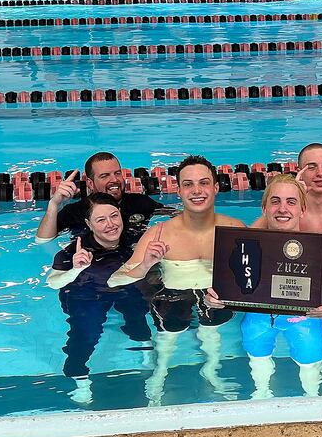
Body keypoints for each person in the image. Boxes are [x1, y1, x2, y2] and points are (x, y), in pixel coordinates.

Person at [109, 155, 245, 406]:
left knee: (212, 333)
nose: (196, 191)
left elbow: (255, 276)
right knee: (167, 339)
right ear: (179, 191)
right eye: (188, 184)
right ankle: (159, 373)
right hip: (171, 296)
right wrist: (146, 264)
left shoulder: (235, 229)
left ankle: (212, 371)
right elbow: (116, 280)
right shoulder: (159, 233)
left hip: (216, 300)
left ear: (216, 187)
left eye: (204, 183)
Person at [205, 174, 322, 399]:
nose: (283, 209)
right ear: (264, 209)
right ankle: (261, 393)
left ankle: (312, 397)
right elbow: (227, 293)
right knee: (257, 355)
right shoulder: (245, 250)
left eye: (291, 202)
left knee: (310, 363)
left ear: (302, 210)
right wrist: (214, 300)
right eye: (275, 201)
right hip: (260, 316)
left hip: (304, 319)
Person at [46, 193, 153, 404]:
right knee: (86, 334)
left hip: (123, 287)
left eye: (114, 216)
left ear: (121, 214)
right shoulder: (74, 251)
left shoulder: (135, 241)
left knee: (138, 314)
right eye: (101, 220)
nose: (110, 224)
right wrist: (76, 269)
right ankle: (79, 376)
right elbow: (53, 282)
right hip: (86, 294)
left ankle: (146, 350)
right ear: (89, 224)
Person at [36, 152, 170, 244]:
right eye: (104, 176)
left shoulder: (141, 202)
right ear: (90, 183)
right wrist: (54, 204)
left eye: (117, 173)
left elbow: (175, 216)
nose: (114, 180)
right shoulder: (74, 212)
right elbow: (43, 241)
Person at [253, 143, 322, 236]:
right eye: (311, 167)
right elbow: (249, 235)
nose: (320, 173)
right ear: (299, 172)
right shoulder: (289, 210)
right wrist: (295, 192)